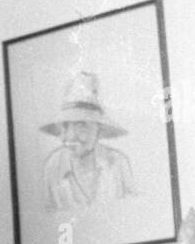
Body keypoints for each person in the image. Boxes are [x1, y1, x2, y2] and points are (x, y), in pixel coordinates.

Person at [40, 70, 135, 211]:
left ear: (98, 129)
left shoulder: (118, 163)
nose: (70, 137)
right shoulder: (53, 167)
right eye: (65, 126)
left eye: (81, 125)